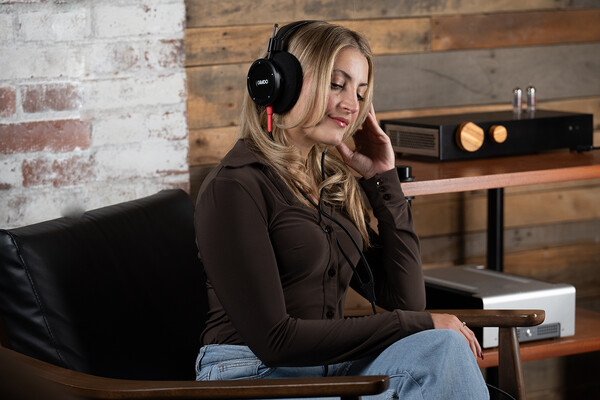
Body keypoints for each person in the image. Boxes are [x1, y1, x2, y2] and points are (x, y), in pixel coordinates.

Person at [194, 20, 489, 399]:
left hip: (327, 367)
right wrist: (417, 324)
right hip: (250, 374)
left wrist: (382, 179)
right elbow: (275, 341)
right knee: (436, 344)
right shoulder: (234, 187)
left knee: (443, 349)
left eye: (360, 92)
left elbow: (407, 301)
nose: (352, 105)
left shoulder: (330, 184)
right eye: (337, 84)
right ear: (281, 84)